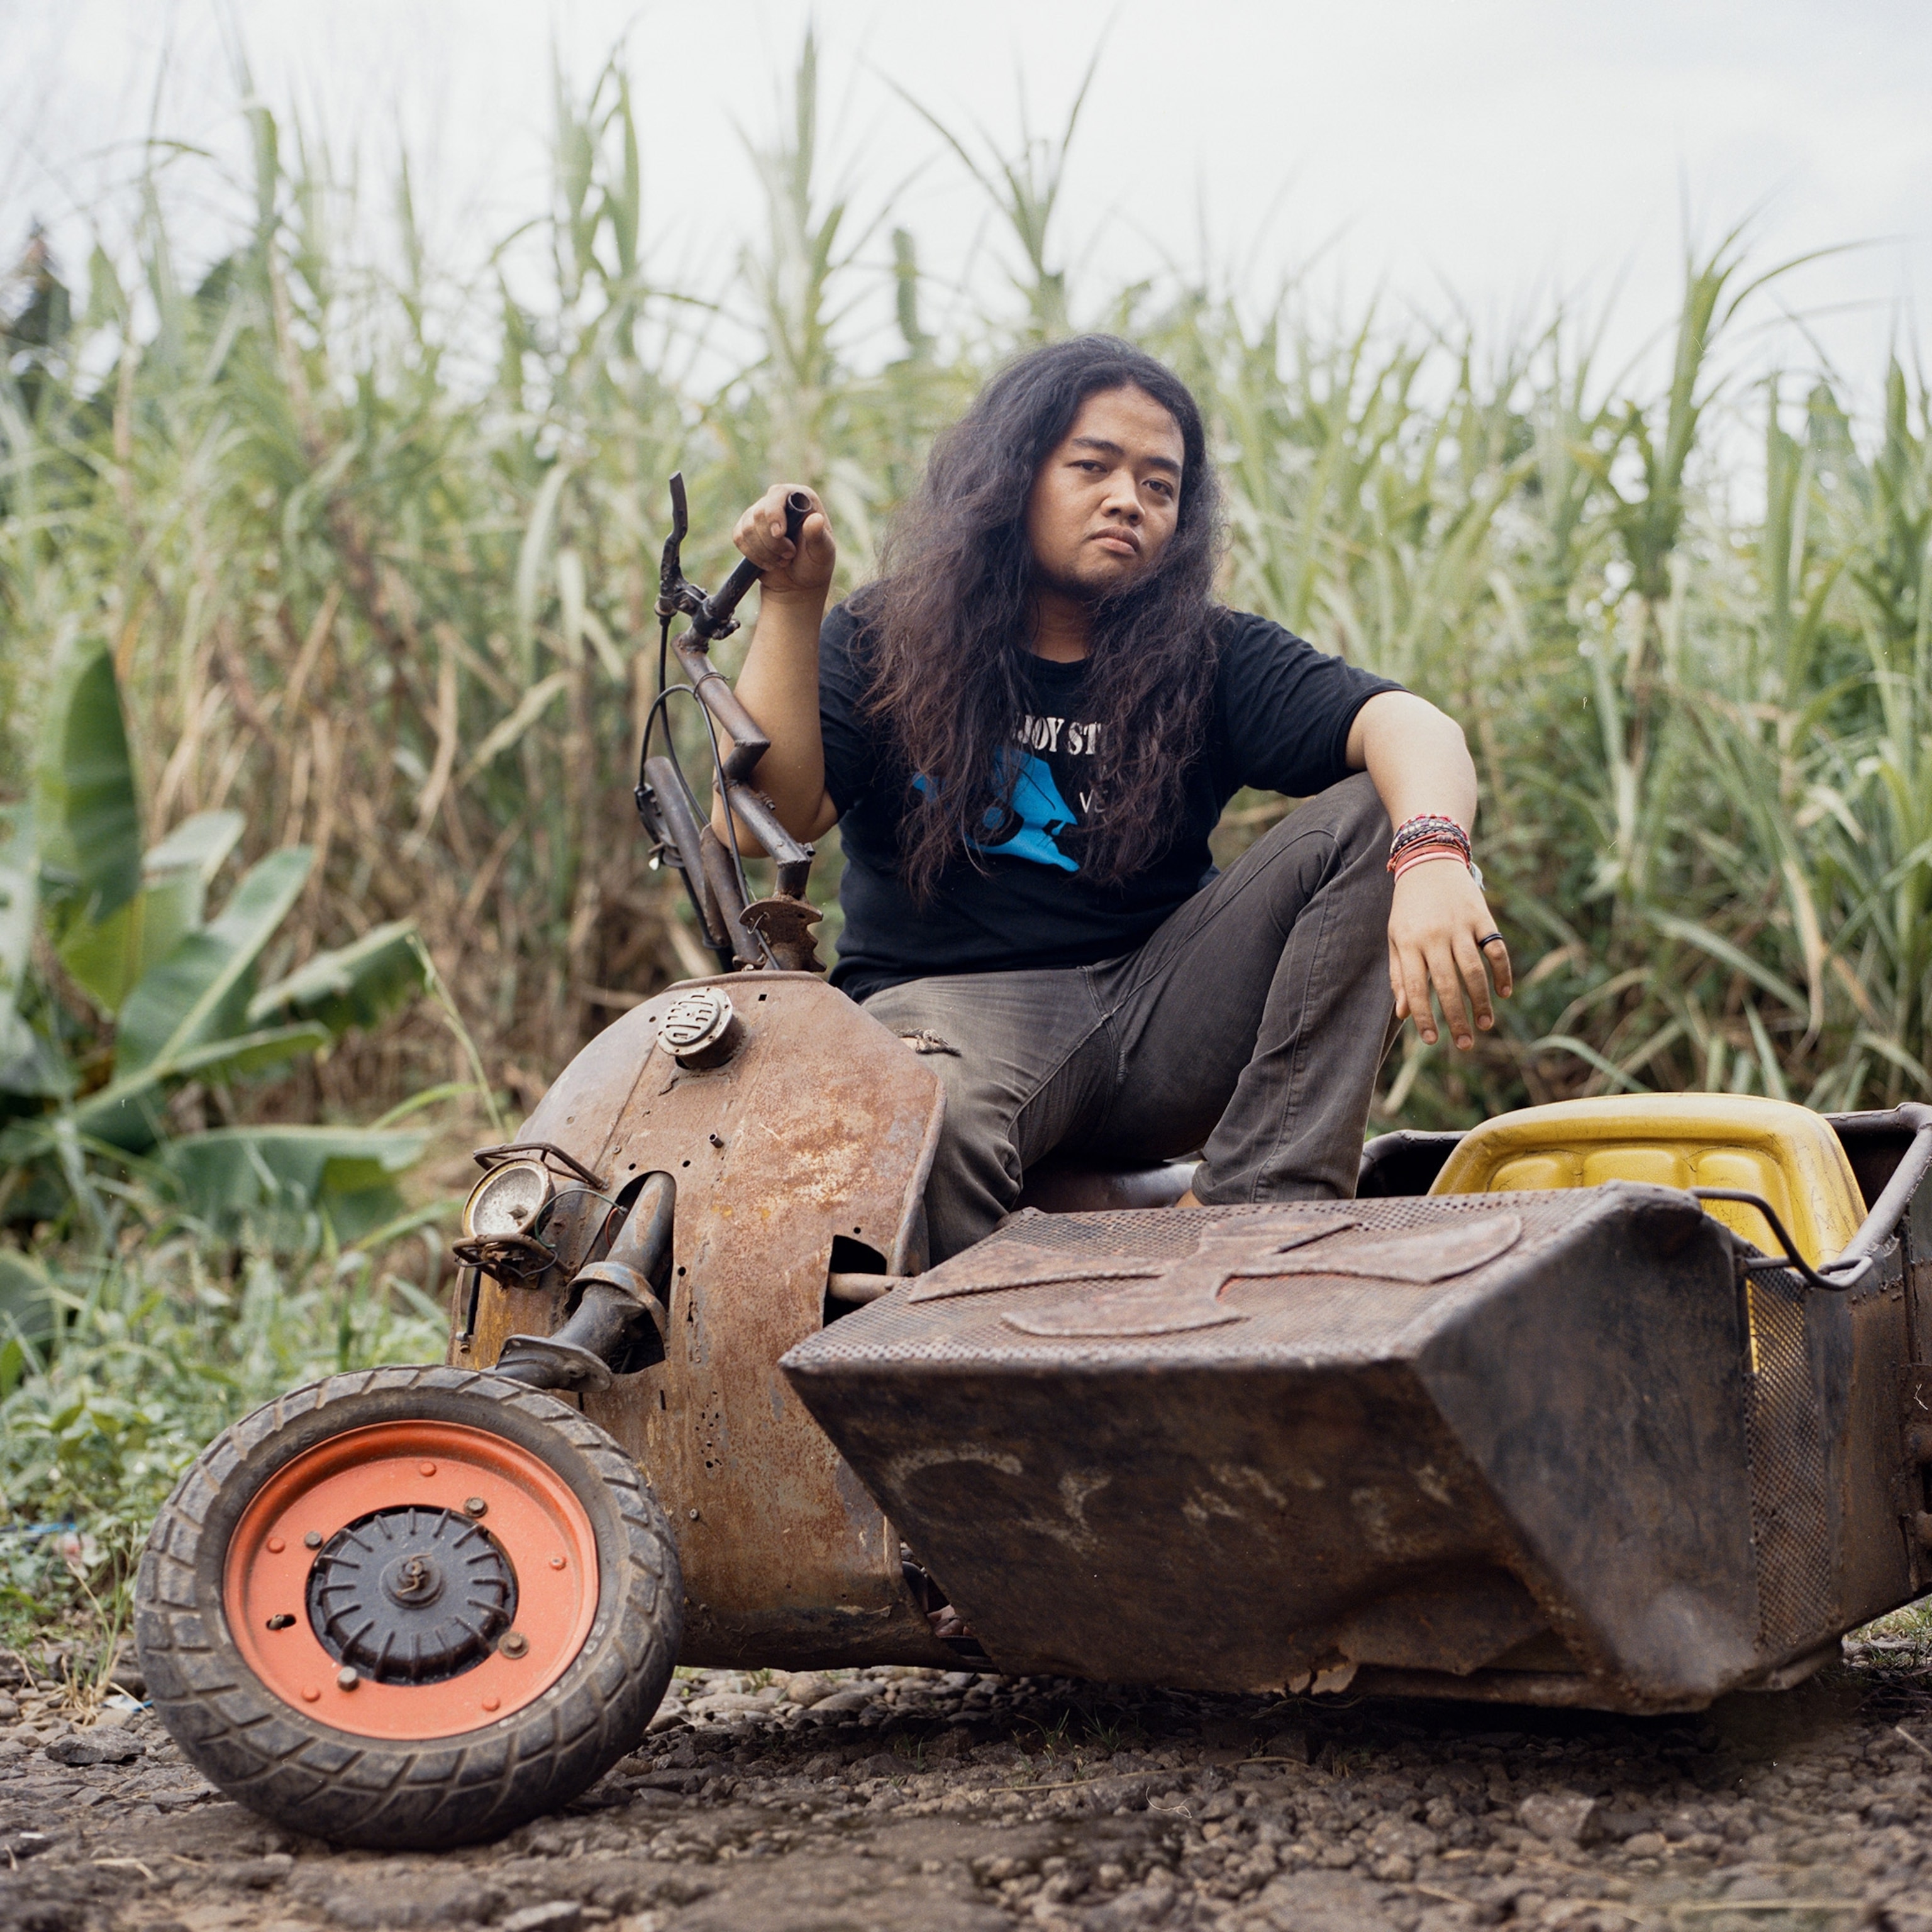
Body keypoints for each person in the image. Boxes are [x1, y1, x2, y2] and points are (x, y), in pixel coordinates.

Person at [714, 336, 1509, 1264]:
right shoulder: (889, 637)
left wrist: (1433, 854)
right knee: (931, 1126)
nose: (1128, 499)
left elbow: (1410, 724)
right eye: (1093, 467)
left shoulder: (1205, 654)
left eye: (1160, 486)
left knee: (1383, 809)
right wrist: (792, 603)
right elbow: (760, 817)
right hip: (953, 1017)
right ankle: (969, 1377)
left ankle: (1255, 1219)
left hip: (1159, 1015)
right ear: (1014, 477)